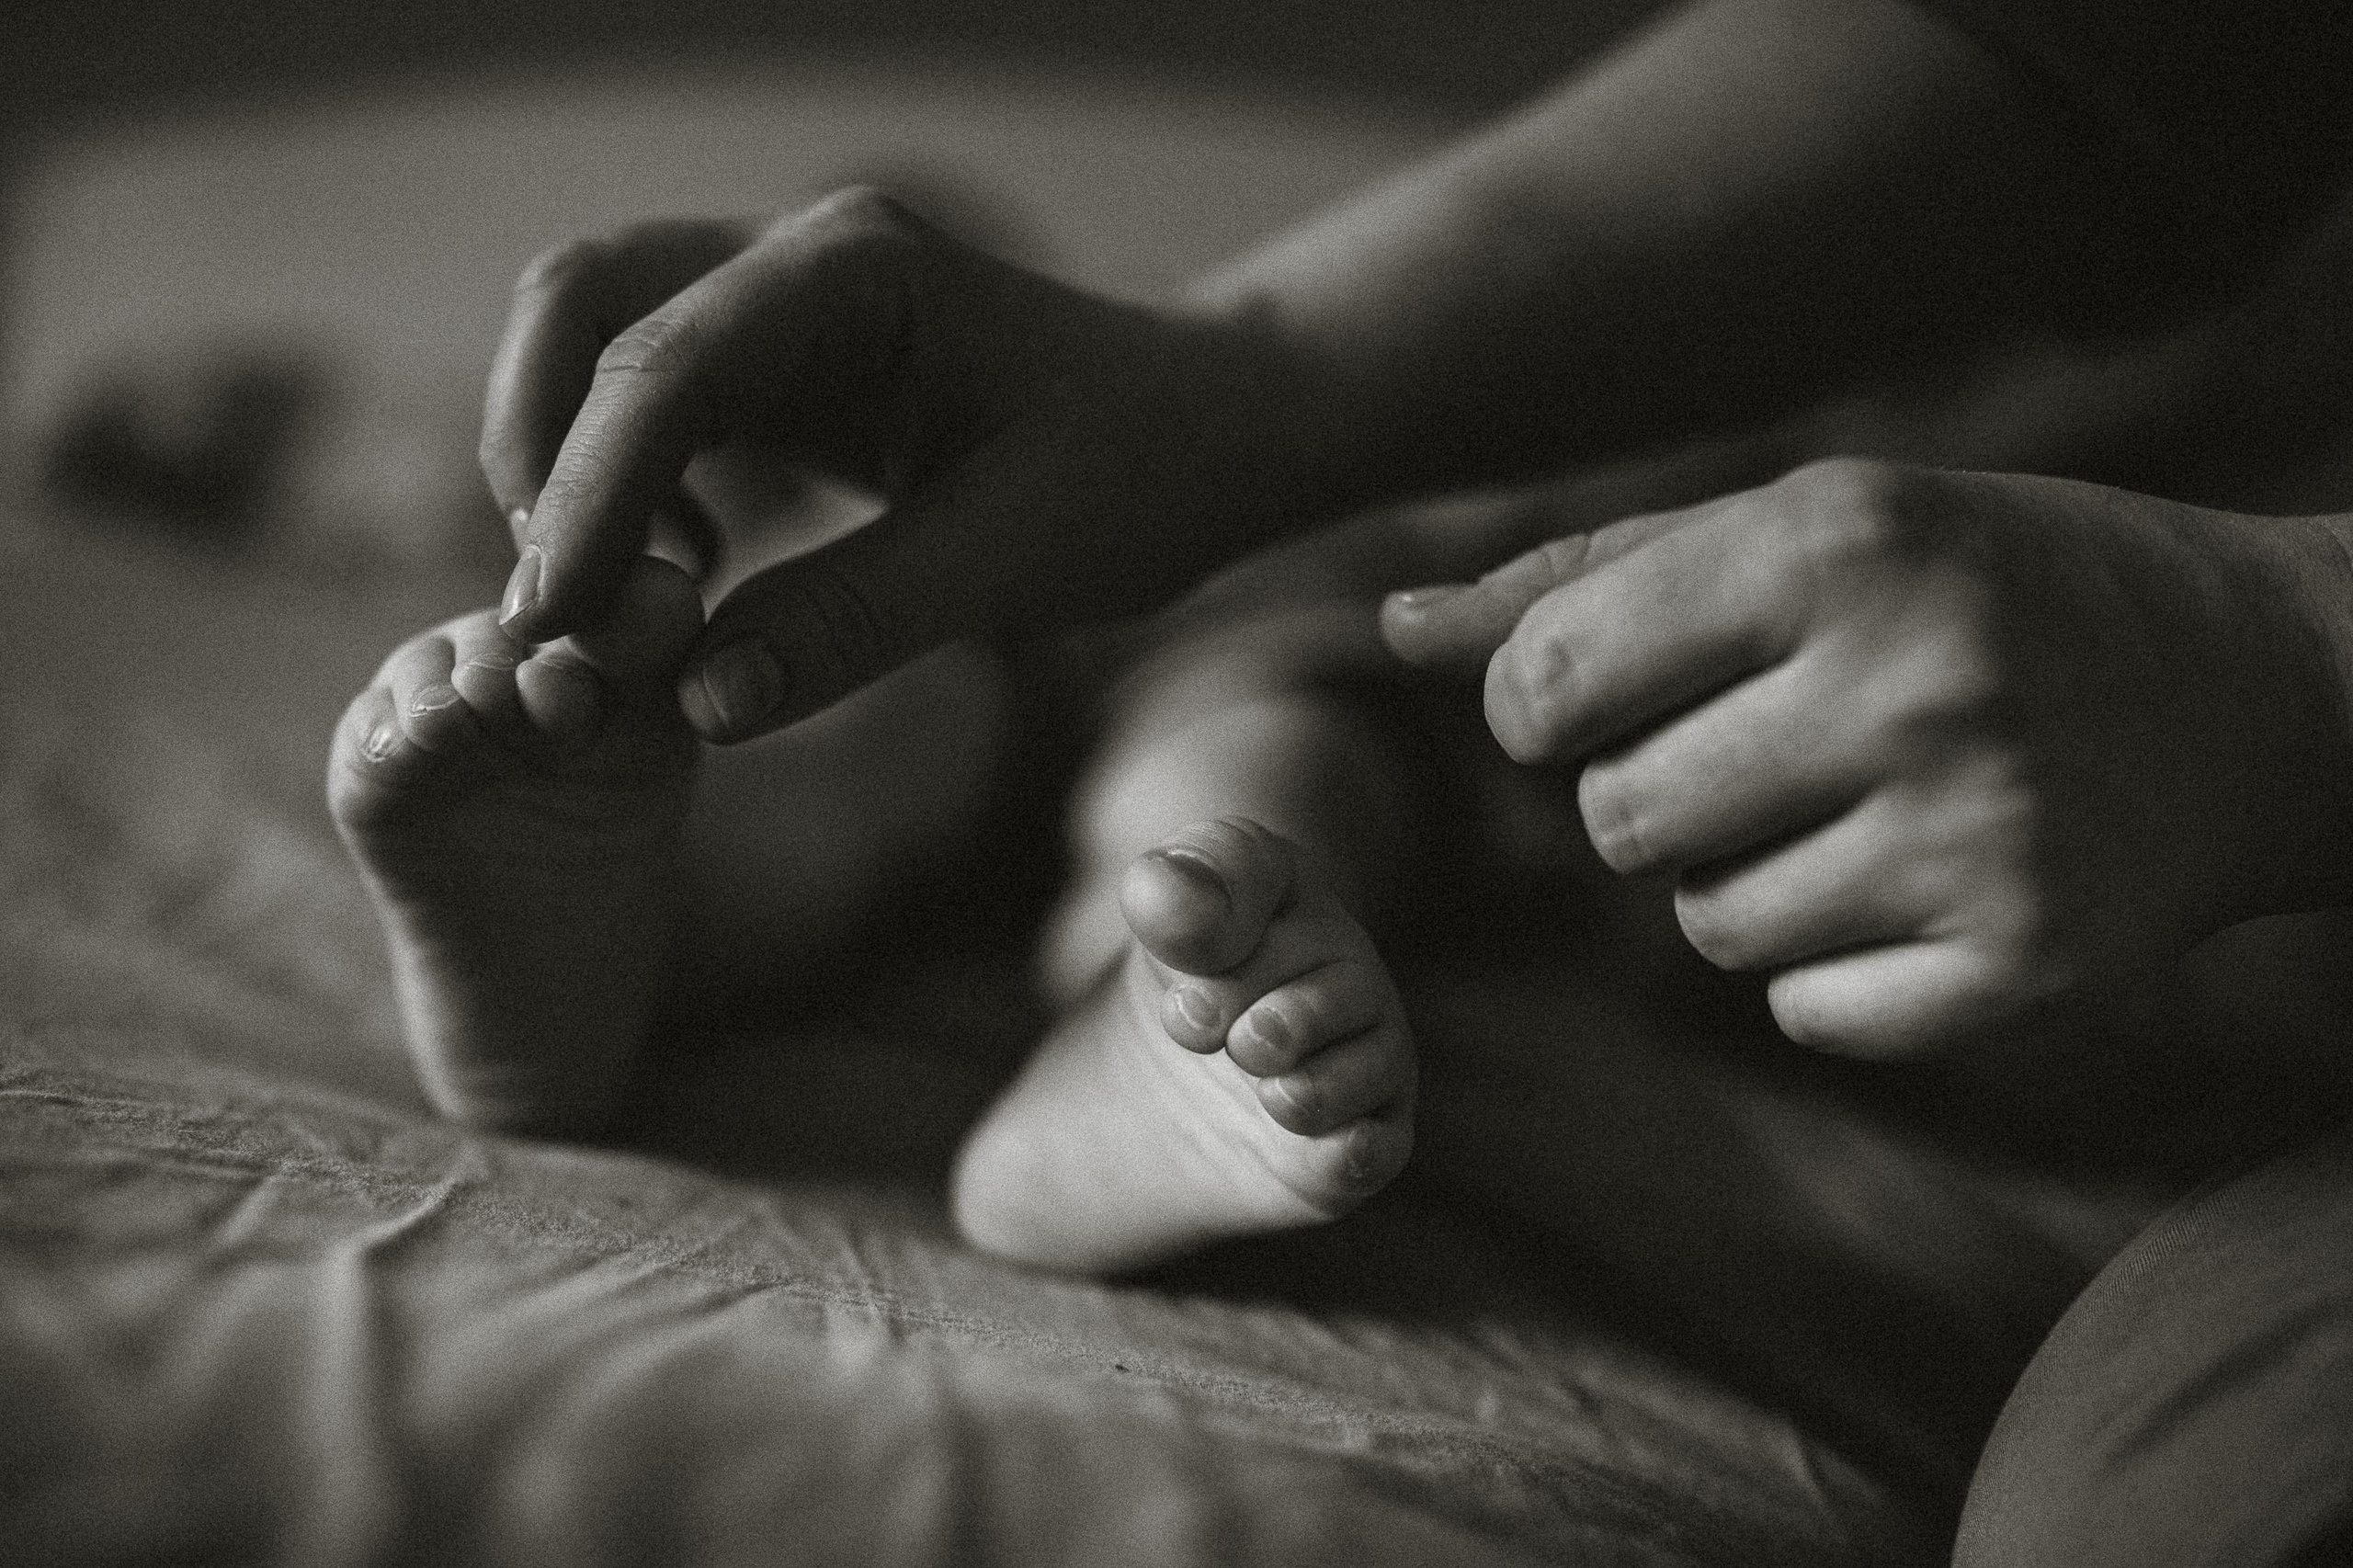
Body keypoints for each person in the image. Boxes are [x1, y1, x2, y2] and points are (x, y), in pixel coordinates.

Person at [331, 0, 2353, 1543]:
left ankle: (1022, 976)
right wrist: (1242, 373)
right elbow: (2129, 65)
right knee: (1037, 696)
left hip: (1488, 638)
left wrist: (2294, 659)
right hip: (1521, 612)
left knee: (1185, 749)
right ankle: (761, 865)